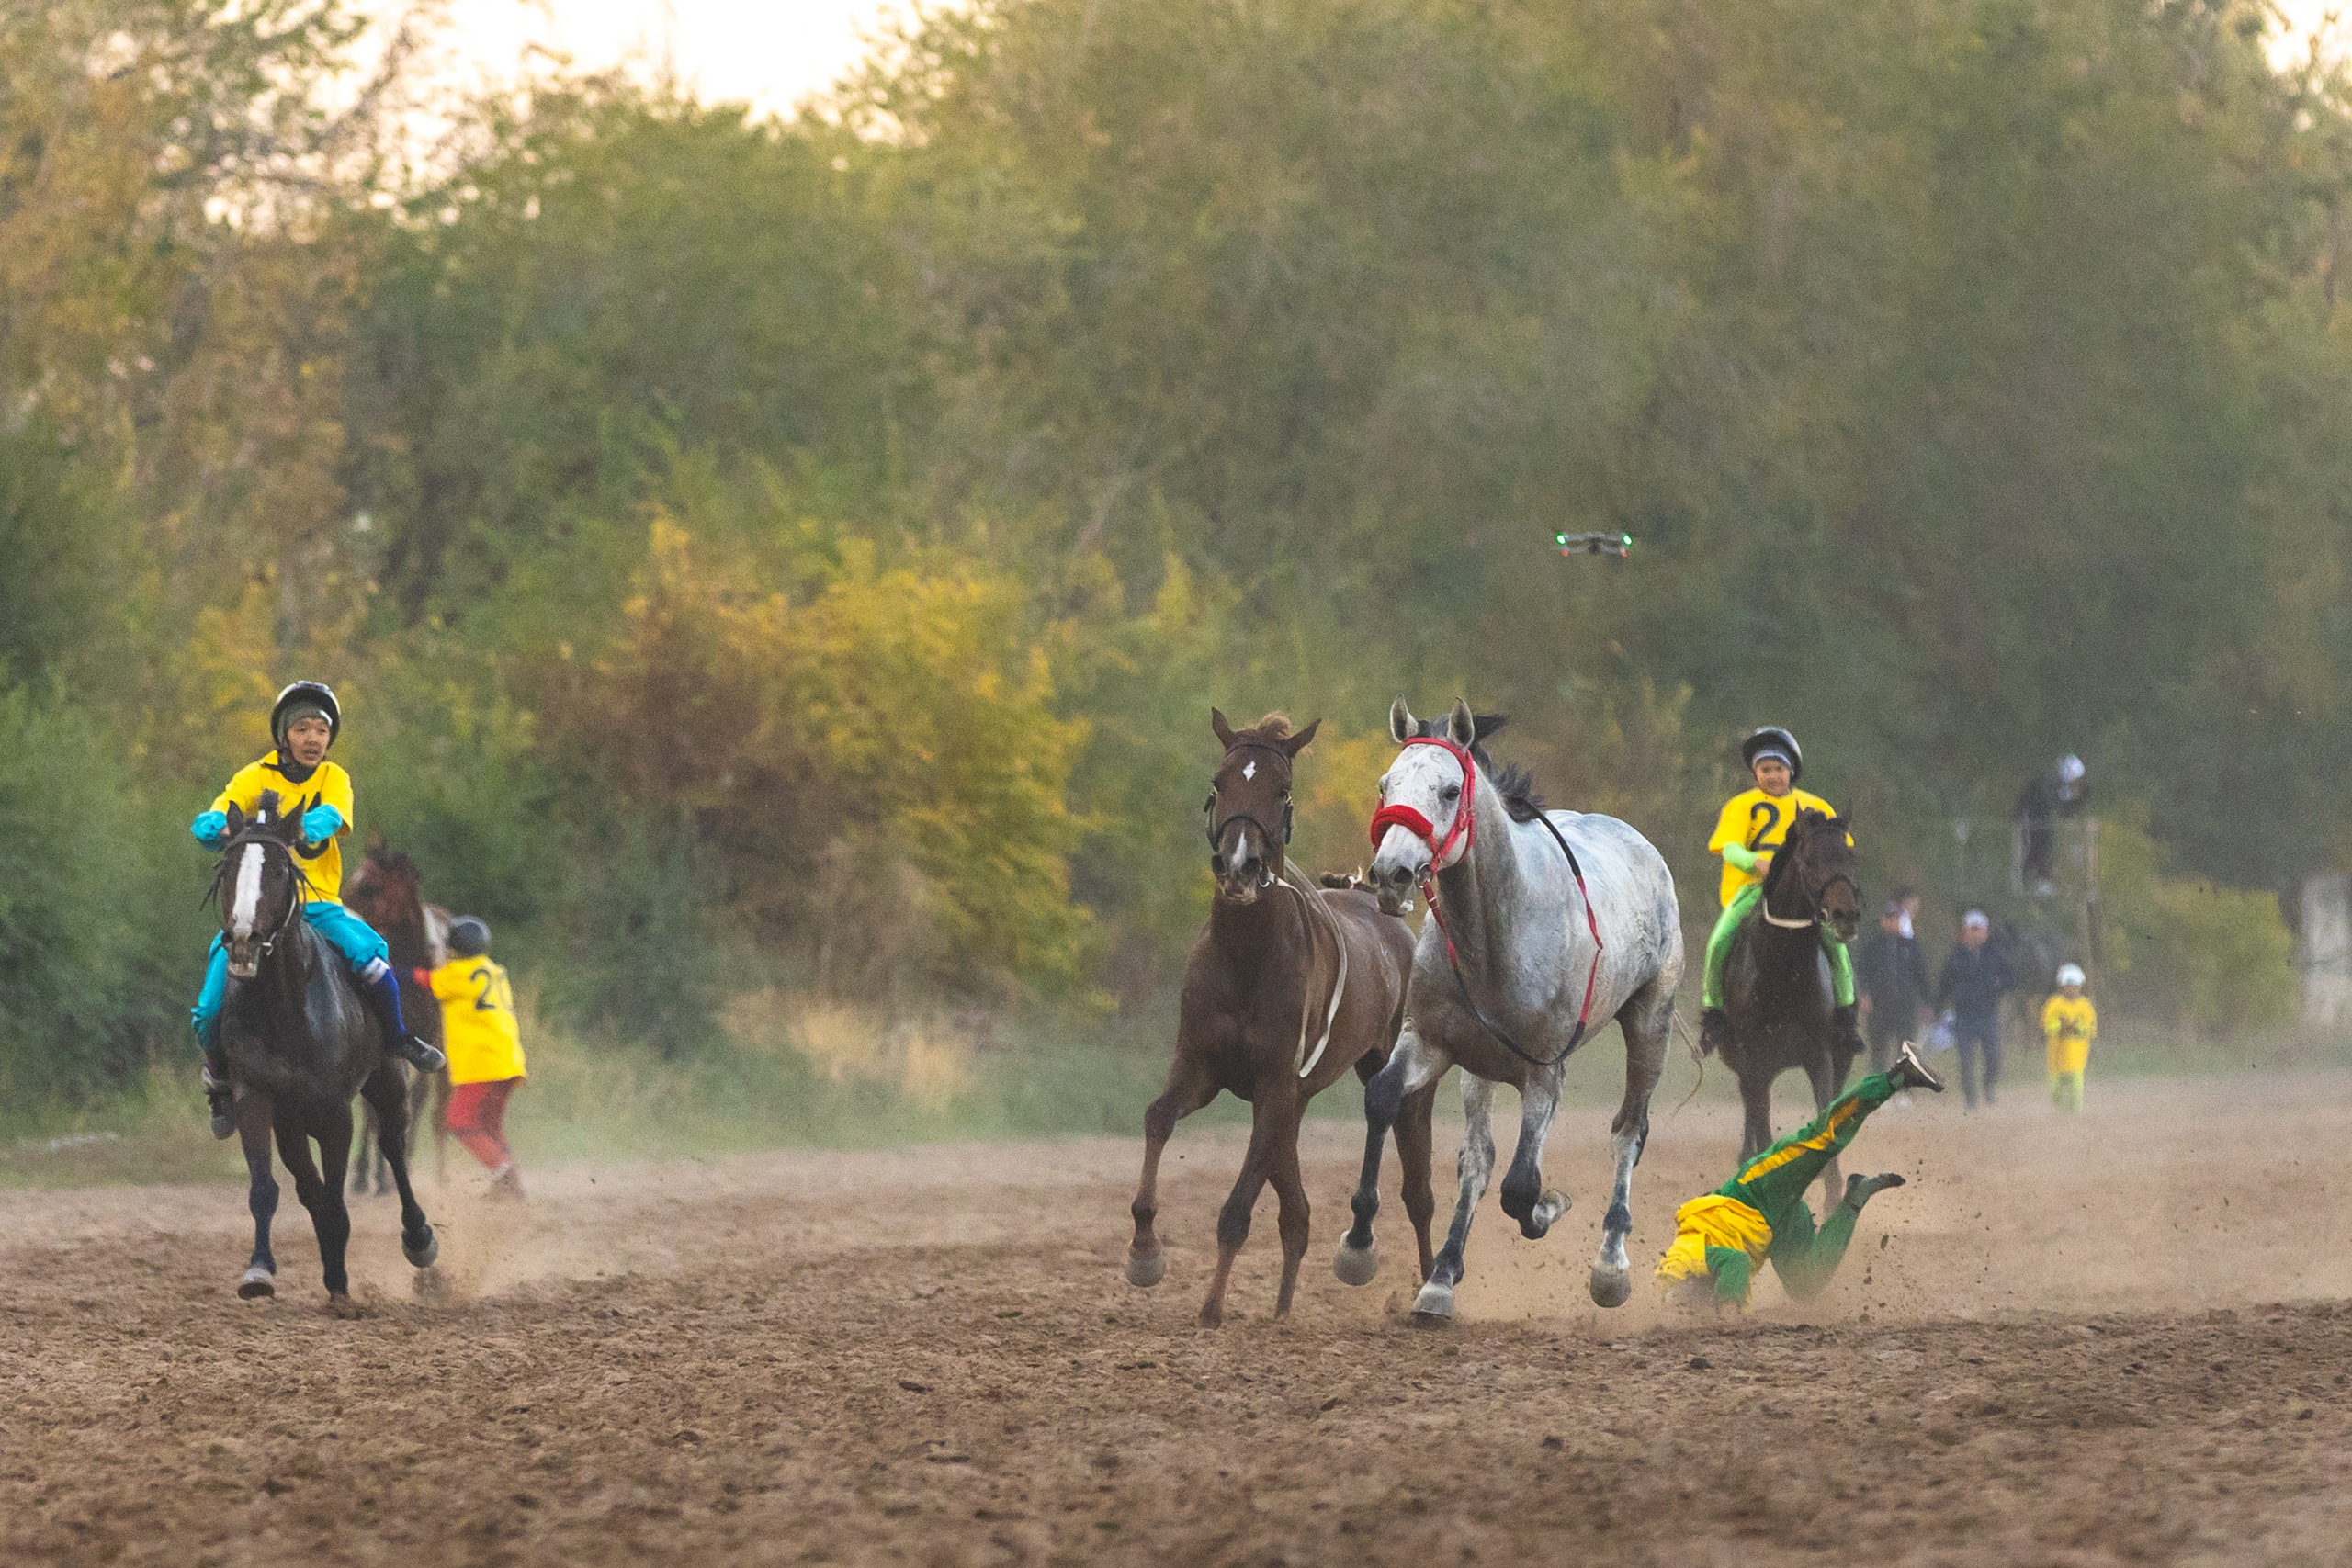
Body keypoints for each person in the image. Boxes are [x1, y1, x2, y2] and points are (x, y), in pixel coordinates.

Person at [190, 682, 446, 1137]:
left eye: (322, 730)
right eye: (302, 728)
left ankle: (399, 1038)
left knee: (373, 955)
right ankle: (219, 1081)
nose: (313, 738)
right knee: (209, 1007)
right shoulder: (253, 777)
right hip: (257, 912)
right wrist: (213, 826)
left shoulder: (335, 779)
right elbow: (215, 816)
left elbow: (331, 818)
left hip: (319, 907)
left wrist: (303, 827)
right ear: (284, 735)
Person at [1657, 1043, 1945, 1310]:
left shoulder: (1680, 1266)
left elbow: (1736, 1262)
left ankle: (1897, 1075)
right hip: (1771, 1231)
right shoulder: (1693, 1286)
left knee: (1823, 1138)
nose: (1696, 1307)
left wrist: (1726, 1311)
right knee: (1805, 1286)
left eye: (1691, 1304)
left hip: (1756, 1192)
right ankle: (1855, 1197)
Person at [1699, 727, 1861, 1060]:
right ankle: (1713, 1014)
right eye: (1765, 769)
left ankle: (1845, 1018)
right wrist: (1755, 862)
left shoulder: (1817, 806)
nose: (1772, 776)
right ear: (1755, 772)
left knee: (1834, 943)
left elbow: (1838, 850)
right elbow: (1728, 848)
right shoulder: (1741, 805)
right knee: (1719, 940)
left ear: (1791, 770)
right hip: (1752, 890)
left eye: (1778, 768)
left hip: (1804, 892)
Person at [427, 917, 528, 1197]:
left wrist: (385, 968)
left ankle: (503, 1169)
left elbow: (424, 980)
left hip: (482, 1064)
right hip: (508, 1061)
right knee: (490, 1124)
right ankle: (512, 1183)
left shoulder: (457, 973)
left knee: (459, 1120)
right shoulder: (496, 971)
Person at [1935, 910, 2015, 1110]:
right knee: (1965, 1061)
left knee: (1993, 1058)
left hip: (1988, 1015)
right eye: (1971, 929)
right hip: (1964, 1017)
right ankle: (1971, 1099)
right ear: (1964, 932)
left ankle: (1989, 1084)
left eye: (1979, 930)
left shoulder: (1996, 953)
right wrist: (1935, 1009)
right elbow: (1944, 985)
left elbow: (2012, 978)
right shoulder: (1955, 956)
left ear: (1986, 932)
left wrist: (2000, 984)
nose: (1975, 934)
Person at [1854, 898, 1931, 1078]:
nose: (1892, 922)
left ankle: (1903, 1091)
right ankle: (1879, 1090)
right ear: (1882, 920)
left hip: (1906, 1007)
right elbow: (1861, 973)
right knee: (1878, 1051)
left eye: (1896, 918)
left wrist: (1928, 1004)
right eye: (1888, 918)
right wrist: (1864, 995)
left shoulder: (1912, 946)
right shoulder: (1871, 947)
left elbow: (1922, 977)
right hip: (1879, 1008)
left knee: (1906, 1051)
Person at [2014, 755, 2087, 896]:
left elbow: (2065, 811)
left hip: (2045, 823)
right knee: (2033, 849)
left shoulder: (2060, 786)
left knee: (2047, 846)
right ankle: (2029, 884)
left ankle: (2044, 880)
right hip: (2032, 822)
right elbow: (2055, 804)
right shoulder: (2048, 784)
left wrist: (2076, 800)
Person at [2041, 963, 2098, 1113]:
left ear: (2080, 987)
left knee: (2076, 1087)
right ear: (2061, 987)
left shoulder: (2085, 1006)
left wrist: (2075, 1029)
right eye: (2068, 986)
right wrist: (2060, 1027)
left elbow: (2090, 1028)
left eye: (2075, 986)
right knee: (2056, 1091)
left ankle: (2074, 1114)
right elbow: (2048, 1024)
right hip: (2057, 1057)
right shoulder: (2054, 1004)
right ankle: (2060, 1109)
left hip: (2076, 1057)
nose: (2071, 990)